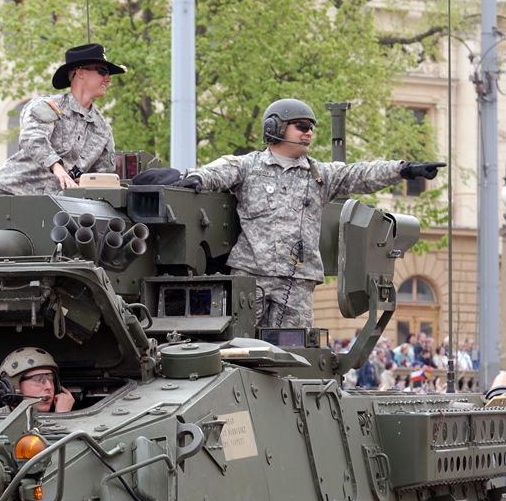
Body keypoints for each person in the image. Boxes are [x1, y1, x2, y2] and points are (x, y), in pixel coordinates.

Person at [178, 98, 445, 328]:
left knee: (293, 356)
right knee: (238, 348)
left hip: (297, 284)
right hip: (250, 278)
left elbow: (360, 174)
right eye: (302, 127)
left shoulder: (320, 175)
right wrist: (196, 179)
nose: (309, 133)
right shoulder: (248, 167)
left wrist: (403, 170)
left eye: (311, 128)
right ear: (275, 128)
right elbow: (212, 174)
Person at [0, 43, 125, 196]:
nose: (108, 79)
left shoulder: (102, 130)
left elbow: (103, 176)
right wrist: (57, 168)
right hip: (10, 195)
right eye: (102, 71)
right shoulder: (48, 106)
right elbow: (32, 138)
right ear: (80, 72)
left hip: (57, 206)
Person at [0, 347, 74, 413]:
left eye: (51, 379)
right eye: (38, 379)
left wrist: (63, 416)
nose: (49, 387)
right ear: (10, 387)